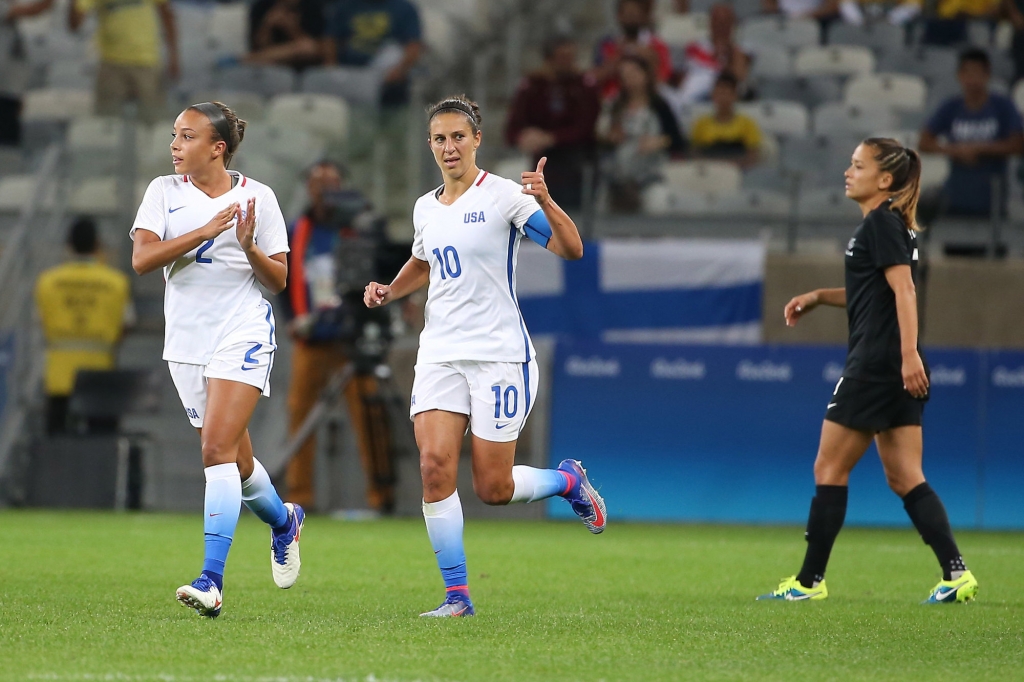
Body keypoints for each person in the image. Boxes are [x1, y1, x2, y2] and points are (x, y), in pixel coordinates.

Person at [363, 95, 606, 618]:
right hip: (440, 353)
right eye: (438, 138)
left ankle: (567, 481)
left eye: (457, 137)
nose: (448, 147)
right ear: (429, 145)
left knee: (493, 487)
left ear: (477, 139)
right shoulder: (425, 206)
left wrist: (545, 199)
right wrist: (391, 289)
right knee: (433, 468)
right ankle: (457, 597)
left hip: (498, 354)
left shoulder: (503, 197)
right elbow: (425, 261)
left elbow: (571, 250)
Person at [758, 138, 978, 604]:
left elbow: (904, 292)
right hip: (894, 365)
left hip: (878, 365)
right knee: (904, 475)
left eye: (858, 165)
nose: (847, 171)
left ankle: (808, 583)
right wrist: (819, 295)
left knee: (829, 466)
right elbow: (873, 288)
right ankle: (956, 574)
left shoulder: (880, 223)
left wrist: (909, 354)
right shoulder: (889, 227)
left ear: (884, 180)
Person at [130, 101, 303, 618]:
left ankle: (211, 579)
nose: (175, 145)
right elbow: (141, 260)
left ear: (217, 147)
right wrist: (204, 233)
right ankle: (283, 521)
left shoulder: (259, 197)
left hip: (243, 329)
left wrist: (248, 246)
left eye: (186, 137)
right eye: (175, 135)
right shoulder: (163, 192)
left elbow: (278, 281)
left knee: (216, 450)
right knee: (239, 462)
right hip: (186, 342)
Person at [283, 160, 396, 514]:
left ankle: (381, 496)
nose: (324, 191)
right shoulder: (295, 231)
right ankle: (300, 497)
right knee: (300, 416)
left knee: (369, 415)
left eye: (332, 183)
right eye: (318, 183)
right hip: (312, 338)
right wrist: (291, 318)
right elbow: (282, 277)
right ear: (308, 188)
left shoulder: (357, 229)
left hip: (352, 339)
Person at [35, 217, 131, 434]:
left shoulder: (47, 282)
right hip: (100, 375)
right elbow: (126, 325)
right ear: (97, 244)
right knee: (103, 444)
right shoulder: (116, 283)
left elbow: (42, 320)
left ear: (68, 245)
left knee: (55, 446)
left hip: (59, 378)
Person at [919, 48, 1024, 219]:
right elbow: (925, 142)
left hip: (991, 195)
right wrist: (956, 151)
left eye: (977, 73)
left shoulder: (1002, 106)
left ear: (987, 75)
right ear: (959, 75)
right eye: (967, 73)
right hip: (956, 193)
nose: (972, 79)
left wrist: (980, 149)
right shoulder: (951, 107)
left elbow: (1018, 144)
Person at [504, 35, 601, 211]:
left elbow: (585, 128)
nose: (568, 64)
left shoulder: (584, 87)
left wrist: (551, 138)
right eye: (562, 58)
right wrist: (524, 137)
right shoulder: (532, 86)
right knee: (508, 174)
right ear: (549, 59)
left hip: (574, 158)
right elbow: (512, 129)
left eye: (571, 58)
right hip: (536, 155)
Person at [597, 55, 687, 213]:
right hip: (616, 178)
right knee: (600, 206)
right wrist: (610, 137)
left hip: (649, 177)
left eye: (634, 73)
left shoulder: (660, 105)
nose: (630, 78)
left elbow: (679, 140)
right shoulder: (613, 105)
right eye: (625, 75)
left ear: (646, 75)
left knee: (658, 202)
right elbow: (599, 135)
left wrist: (660, 141)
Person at [69, 0, 179, 123]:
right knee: (107, 124)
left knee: (154, 122)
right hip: (111, 64)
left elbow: (166, 14)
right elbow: (75, 24)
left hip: (147, 63)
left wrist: (173, 56)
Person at [322, 0, 423, 107]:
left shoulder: (404, 8)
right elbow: (330, 40)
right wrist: (332, 69)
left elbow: (414, 45)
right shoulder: (344, 6)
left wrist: (400, 70)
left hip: (386, 82)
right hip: (350, 75)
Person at [660, 3, 751, 120]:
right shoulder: (694, 47)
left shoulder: (739, 52)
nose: (721, 25)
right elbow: (678, 76)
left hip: (721, 96)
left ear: (732, 24)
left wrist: (728, 57)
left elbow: (739, 79)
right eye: (717, 20)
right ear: (710, 22)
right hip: (690, 96)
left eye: (725, 21)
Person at [593, 0, 673, 100]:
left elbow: (664, 78)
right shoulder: (607, 44)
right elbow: (593, 78)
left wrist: (650, 60)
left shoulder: (656, 45)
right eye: (627, 15)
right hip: (614, 98)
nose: (631, 20)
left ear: (644, 16)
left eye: (635, 15)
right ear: (619, 16)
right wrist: (616, 60)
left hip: (647, 99)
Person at [689, 72, 761, 168]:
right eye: (719, 93)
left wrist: (730, 166)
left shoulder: (747, 124)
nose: (723, 98)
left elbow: (753, 155)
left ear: (735, 95)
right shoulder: (701, 124)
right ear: (713, 95)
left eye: (727, 93)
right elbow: (694, 153)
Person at [246, 0, 325, 69]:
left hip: (303, 66)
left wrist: (290, 28)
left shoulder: (312, 7)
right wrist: (267, 25)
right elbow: (257, 47)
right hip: (269, 66)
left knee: (305, 48)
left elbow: (313, 49)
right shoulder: (261, 6)